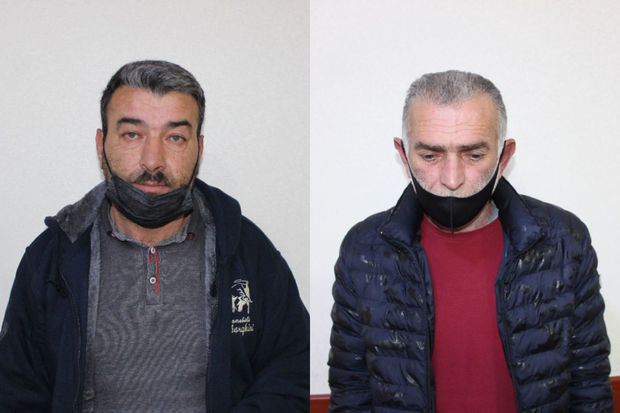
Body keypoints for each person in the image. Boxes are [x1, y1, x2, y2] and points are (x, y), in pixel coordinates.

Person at [0, 60, 309, 412]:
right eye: (132, 134)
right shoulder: (52, 258)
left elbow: (290, 371)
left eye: (175, 137)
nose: (152, 161)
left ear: (198, 148)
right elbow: (16, 390)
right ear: (101, 144)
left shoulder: (248, 252)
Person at [328, 70, 612, 412]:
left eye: (474, 155)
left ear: (503, 157)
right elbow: (351, 390)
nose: (452, 179)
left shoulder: (564, 241)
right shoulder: (364, 251)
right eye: (430, 156)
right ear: (403, 155)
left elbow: (589, 383)